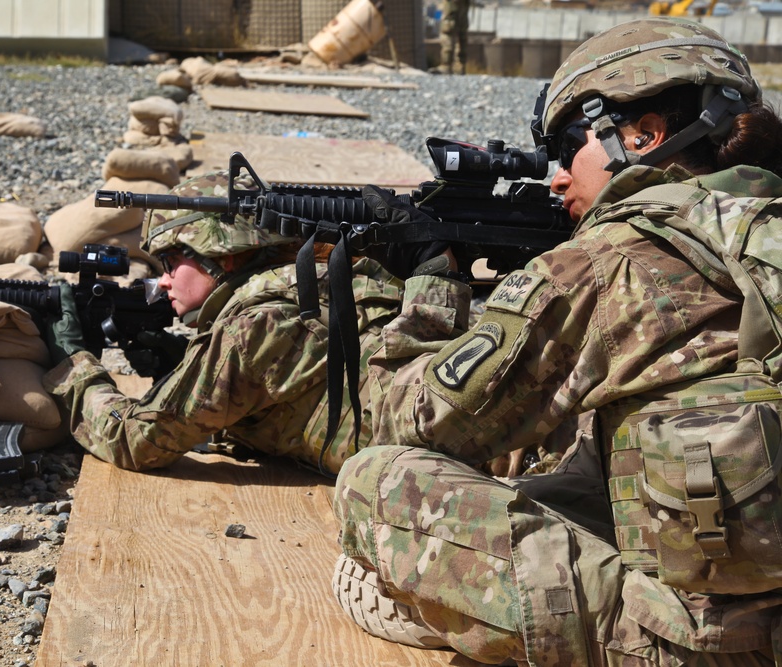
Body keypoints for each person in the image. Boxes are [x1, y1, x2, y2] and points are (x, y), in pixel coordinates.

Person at [331, 17, 782, 665]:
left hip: (702, 646)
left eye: (570, 148)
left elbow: (414, 421)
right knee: (579, 470)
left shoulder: (613, 260)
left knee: (375, 479)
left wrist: (434, 282)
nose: (558, 177)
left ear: (643, 135)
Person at [41, 170, 405, 476]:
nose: (163, 280)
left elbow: (132, 441)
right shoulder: (318, 280)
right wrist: (184, 359)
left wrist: (73, 364)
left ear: (223, 257)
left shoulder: (252, 327)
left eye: (169, 263)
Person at [438, 0, 469, 74]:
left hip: (452, 11)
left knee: (447, 35)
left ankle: (446, 66)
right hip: (463, 9)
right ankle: (460, 66)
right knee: (462, 36)